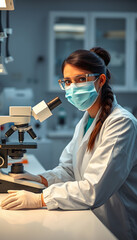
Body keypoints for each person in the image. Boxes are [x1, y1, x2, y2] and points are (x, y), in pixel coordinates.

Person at [1, 47, 137, 240]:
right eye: (67, 81)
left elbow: (93, 189)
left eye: (81, 79)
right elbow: (69, 170)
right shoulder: (86, 120)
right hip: (88, 217)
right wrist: (38, 179)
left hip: (115, 224)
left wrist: (40, 199)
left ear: (101, 81)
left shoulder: (121, 123)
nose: (73, 87)